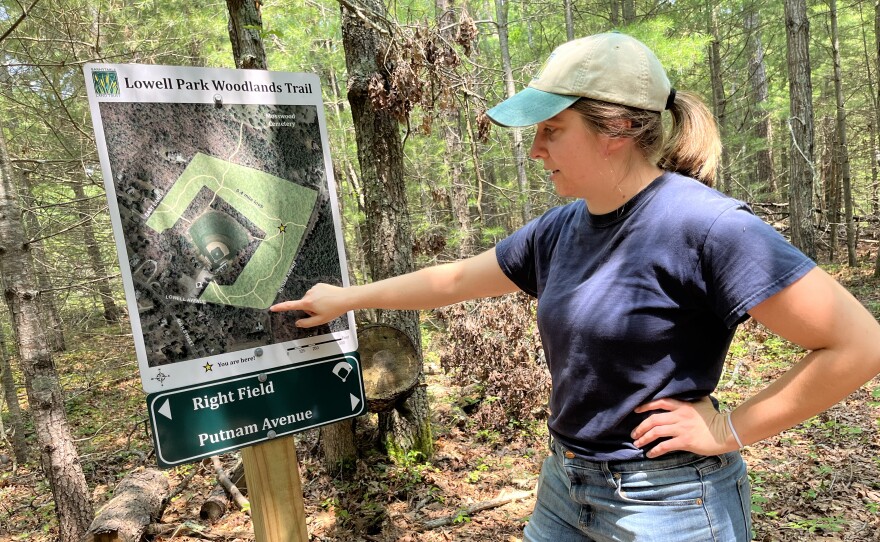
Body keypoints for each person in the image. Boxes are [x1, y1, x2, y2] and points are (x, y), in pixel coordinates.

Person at [271, 32, 880, 541]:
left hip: (666, 504)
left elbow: (858, 344)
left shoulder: (706, 226)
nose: (535, 149)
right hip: (566, 485)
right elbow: (454, 279)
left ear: (614, 128)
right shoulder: (565, 225)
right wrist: (346, 298)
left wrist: (728, 428)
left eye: (552, 130)